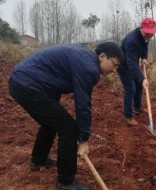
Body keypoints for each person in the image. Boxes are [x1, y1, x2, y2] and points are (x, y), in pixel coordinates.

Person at [8, 42, 123, 190]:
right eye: (114, 64)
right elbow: (83, 105)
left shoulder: (86, 57)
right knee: (69, 128)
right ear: (102, 56)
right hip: (28, 85)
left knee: (52, 121)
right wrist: (83, 139)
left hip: (25, 81)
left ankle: (39, 159)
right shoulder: (89, 69)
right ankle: (66, 182)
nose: (114, 70)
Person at [117, 17, 156, 126]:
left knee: (139, 86)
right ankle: (128, 115)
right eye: (148, 33)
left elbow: (145, 46)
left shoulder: (146, 36)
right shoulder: (132, 41)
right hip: (124, 66)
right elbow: (131, 64)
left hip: (132, 64)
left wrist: (144, 57)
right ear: (141, 28)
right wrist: (143, 79)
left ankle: (137, 107)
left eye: (151, 33)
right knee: (131, 89)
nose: (149, 36)